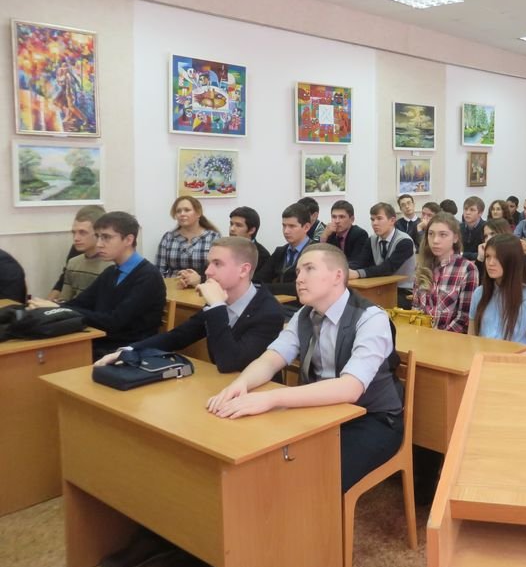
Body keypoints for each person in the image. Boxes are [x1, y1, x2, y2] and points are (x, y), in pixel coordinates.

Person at [206, 243, 403, 492]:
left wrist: (271, 398)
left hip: (371, 418)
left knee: (314, 478)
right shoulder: (304, 314)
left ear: (337, 276)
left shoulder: (371, 318)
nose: (299, 278)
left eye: (309, 269)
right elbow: (271, 358)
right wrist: (241, 384)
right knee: (257, 452)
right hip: (320, 411)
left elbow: (350, 388)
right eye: (298, 271)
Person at [94, 237, 284, 373]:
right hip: (223, 387)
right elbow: (179, 336)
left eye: (217, 264)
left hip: (257, 395)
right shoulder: (219, 300)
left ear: (244, 270)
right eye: (209, 263)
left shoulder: (268, 313)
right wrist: (128, 350)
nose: (208, 271)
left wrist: (217, 307)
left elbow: (229, 363)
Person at [28, 212, 165, 360]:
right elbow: (79, 303)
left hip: (130, 352)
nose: (99, 244)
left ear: (128, 240)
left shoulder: (148, 277)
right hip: (102, 343)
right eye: (98, 236)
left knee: (54, 357)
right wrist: (51, 307)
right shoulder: (111, 272)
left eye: (106, 237)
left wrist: (60, 308)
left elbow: (114, 322)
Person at [469, 234, 526, 353]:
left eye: (497, 257)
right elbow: (471, 338)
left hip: (514, 361)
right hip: (483, 359)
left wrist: (507, 360)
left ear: (512, 260)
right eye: (488, 256)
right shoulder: (479, 293)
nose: (490, 263)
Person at [411, 213, 478, 333]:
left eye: (443, 235)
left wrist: (438, 338)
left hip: (450, 339)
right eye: (431, 234)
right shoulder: (422, 266)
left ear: (455, 238)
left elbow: (464, 318)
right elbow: (415, 308)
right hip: (421, 335)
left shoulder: (467, 269)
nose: (435, 240)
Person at [180, 205, 272, 288]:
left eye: (238, 225)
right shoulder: (222, 248)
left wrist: (200, 279)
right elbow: (206, 270)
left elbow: (252, 283)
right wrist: (190, 276)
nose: (232, 229)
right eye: (231, 224)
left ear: (251, 230)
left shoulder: (261, 255)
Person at [348, 203, 416, 307]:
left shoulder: (405, 241)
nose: (374, 223)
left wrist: (357, 273)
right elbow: (360, 262)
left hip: (403, 291)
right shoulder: (372, 239)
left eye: (379, 218)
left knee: (368, 306)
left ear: (392, 220)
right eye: (372, 219)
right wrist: (343, 269)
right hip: (381, 287)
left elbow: (387, 268)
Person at [47, 205, 105, 300]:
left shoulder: (112, 266)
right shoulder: (74, 261)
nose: (76, 238)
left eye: (82, 232)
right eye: (74, 233)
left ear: (99, 233)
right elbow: (64, 295)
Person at [255, 203, 313, 297]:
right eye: (284, 226)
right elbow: (259, 279)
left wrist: (266, 287)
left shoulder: (315, 252)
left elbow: (300, 286)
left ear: (306, 227)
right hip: (279, 303)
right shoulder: (280, 252)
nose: (286, 231)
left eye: (292, 226)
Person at [156, 196, 221, 280]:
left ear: (198, 213)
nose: (182, 214)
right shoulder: (168, 238)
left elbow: (218, 271)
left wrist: (200, 280)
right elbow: (159, 270)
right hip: (173, 285)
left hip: (203, 285)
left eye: (187, 210)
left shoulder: (213, 237)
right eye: (178, 211)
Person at [322, 200, 370, 269]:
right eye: (334, 217)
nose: (337, 221)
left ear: (352, 219)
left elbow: (356, 262)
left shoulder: (360, 234)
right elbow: (321, 257)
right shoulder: (330, 234)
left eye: (341, 217)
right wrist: (324, 236)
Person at [460, 196, 486, 262]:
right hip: (461, 262)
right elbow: (455, 252)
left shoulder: (486, 228)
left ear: (480, 213)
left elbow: (484, 253)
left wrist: (463, 254)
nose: (467, 212)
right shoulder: (459, 227)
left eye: (472, 210)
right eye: (465, 209)